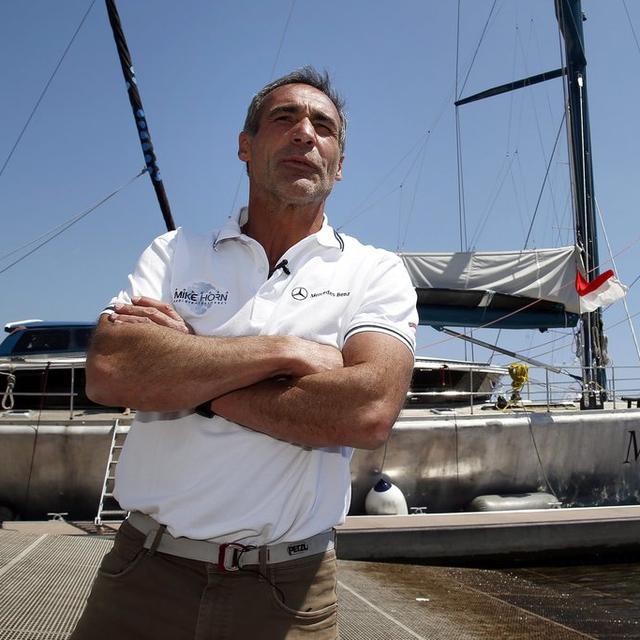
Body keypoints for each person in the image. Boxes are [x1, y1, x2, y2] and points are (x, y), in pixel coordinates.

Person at [71, 66, 417, 640]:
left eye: (323, 127)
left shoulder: (374, 272)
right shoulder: (175, 252)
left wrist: (188, 369)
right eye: (285, 118)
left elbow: (366, 410)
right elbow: (111, 370)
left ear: (339, 162)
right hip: (142, 576)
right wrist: (288, 351)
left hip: (288, 593)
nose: (305, 133)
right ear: (245, 145)